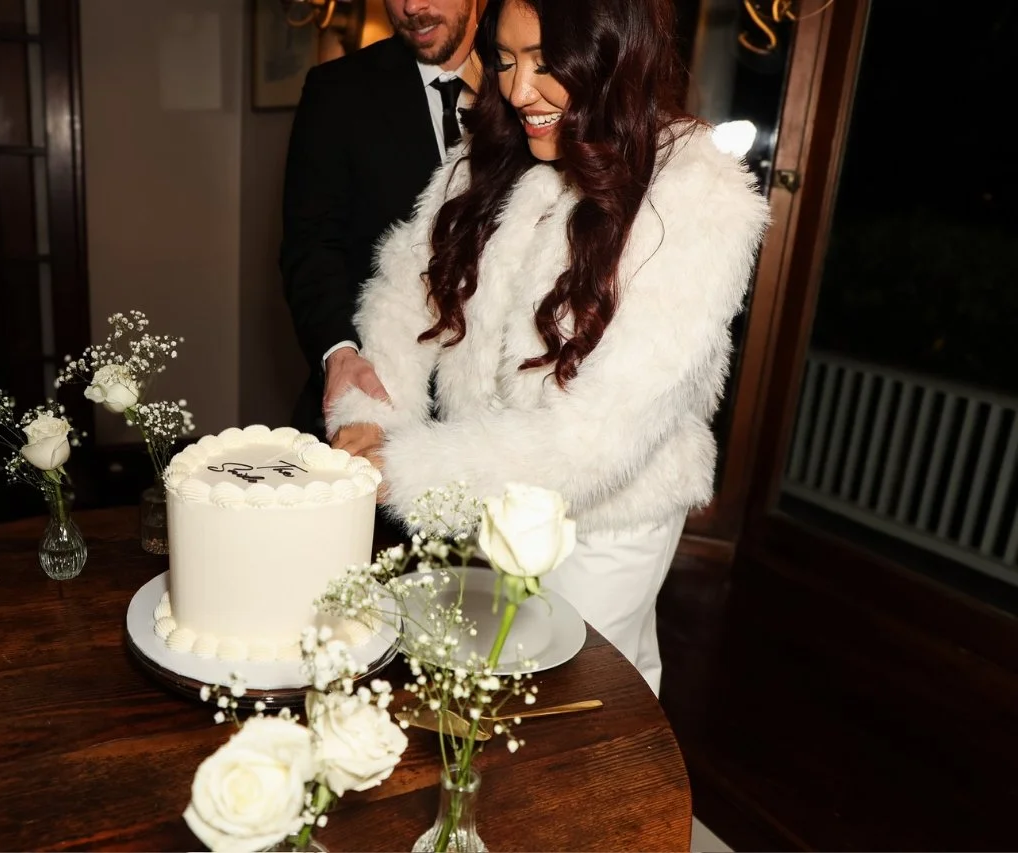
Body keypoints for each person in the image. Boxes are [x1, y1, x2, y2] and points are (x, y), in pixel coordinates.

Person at [328, 0, 770, 696]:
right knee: (489, 693)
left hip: (605, 522)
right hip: (486, 491)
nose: (518, 90)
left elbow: (602, 432)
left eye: (545, 62)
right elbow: (405, 294)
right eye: (505, 61)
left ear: (612, 54)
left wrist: (408, 468)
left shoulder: (696, 192)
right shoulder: (486, 156)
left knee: (587, 704)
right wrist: (373, 416)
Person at [280, 0, 481, 440]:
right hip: (377, 399)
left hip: (498, 416)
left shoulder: (529, 80)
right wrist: (339, 352)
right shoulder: (337, 91)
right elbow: (311, 246)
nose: (411, 6)